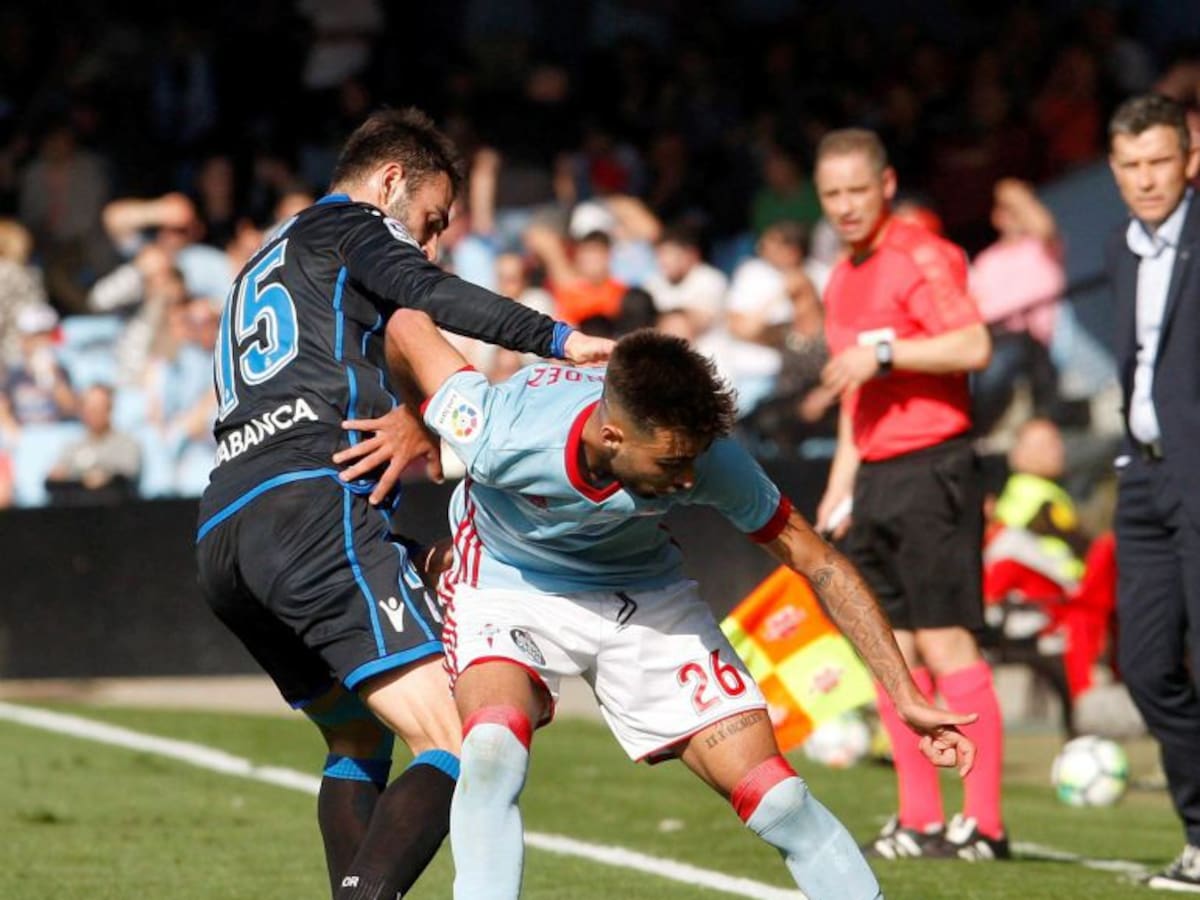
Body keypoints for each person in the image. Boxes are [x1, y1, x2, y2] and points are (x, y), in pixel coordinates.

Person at [374, 309, 977, 900]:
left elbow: (820, 562)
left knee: (781, 801)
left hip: (643, 591)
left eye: (693, 460)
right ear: (612, 436)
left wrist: (904, 694)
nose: (688, 480)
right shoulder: (497, 427)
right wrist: (421, 419)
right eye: (671, 463)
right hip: (509, 584)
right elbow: (406, 325)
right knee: (492, 751)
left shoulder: (709, 458)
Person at [194, 107, 611, 900]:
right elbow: (427, 291)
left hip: (223, 532)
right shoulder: (351, 224)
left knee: (356, 737)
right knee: (455, 737)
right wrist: (561, 340)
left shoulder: (262, 260)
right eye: (432, 220)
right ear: (390, 181)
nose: (429, 243)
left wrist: (412, 423)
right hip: (310, 509)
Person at [812, 128, 1006, 861]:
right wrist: (841, 483)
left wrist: (886, 352)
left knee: (946, 639)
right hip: (875, 476)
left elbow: (973, 345)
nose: (845, 206)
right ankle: (920, 818)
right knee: (890, 650)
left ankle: (984, 824)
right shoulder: (840, 277)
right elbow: (852, 391)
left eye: (857, 190)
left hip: (934, 466)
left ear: (887, 185)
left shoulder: (924, 254)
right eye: (832, 194)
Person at [1104, 92, 1200, 892]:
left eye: (1160, 161)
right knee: (1144, 666)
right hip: (1143, 478)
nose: (1146, 179)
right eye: (1131, 165)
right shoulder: (1121, 247)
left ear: (1190, 160)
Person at [44, 383, 140, 504]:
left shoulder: (127, 444)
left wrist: (104, 478)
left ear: (109, 410)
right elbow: (57, 475)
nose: (92, 413)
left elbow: (127, 478)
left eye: (98, 408)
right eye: (88, 408)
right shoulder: (72, 446)